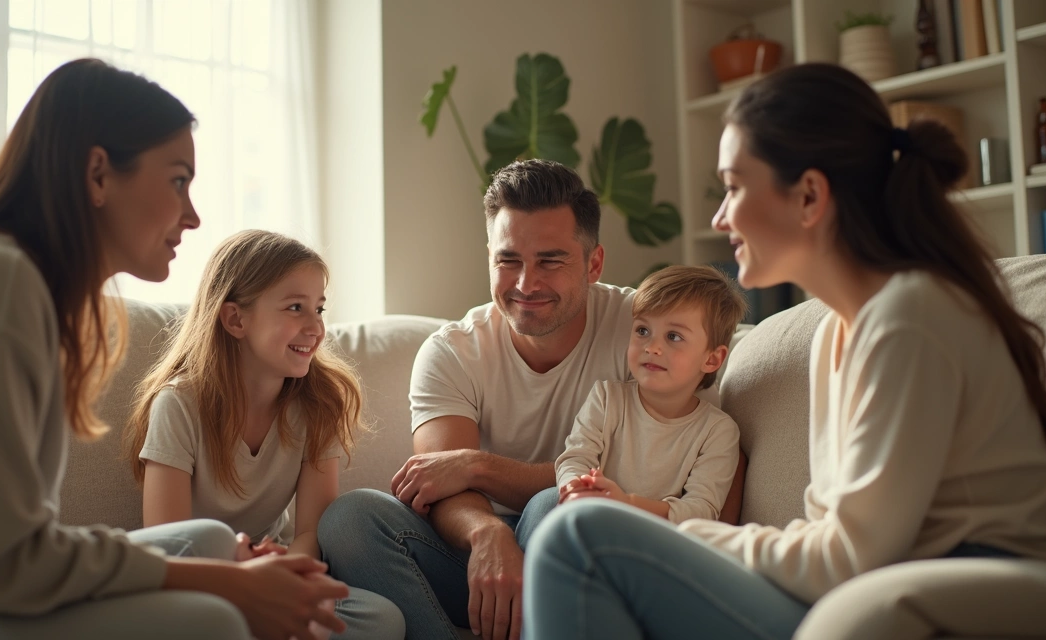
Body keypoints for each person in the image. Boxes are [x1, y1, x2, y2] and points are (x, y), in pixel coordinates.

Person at [522, 62, 1046, 640]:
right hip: (867, 589)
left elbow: (848, 557)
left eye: (733, 186)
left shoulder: (911, 318)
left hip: (966, 591)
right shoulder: (840, 329)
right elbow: (833, 538)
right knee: (572, 530)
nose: (719, 216)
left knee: (577, 536)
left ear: (808, 195)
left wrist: (677, 536)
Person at [0, 59, 348, 640]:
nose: (193, 216)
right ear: (97, 174)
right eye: (178, 181)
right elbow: (5, 567)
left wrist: (222, 569)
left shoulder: (21, 285)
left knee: (212, 541)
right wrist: (225, 586)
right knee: (212, 615)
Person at [318, 160, 747, 640]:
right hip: (472, 561)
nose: (525, 284)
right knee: (348, 519)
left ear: (594, 263)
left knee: (552, 506)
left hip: (581, 547)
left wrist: (478, 466)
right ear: (488, 256)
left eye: (550, 260)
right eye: (508, 260)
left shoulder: (645, 330)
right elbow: (443, 486)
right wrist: (488, 534)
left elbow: (697, 456)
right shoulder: (451, 352)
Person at [127, 229, 405, 639]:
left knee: (382, 619)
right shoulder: (179, 405)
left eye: (320, 309)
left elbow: (310, 531)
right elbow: (167, 541)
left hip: (277, 575)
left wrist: (288, 580)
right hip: (200, 582)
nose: (316, 328)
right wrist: (245, 577)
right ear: (236, 319)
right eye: (296, 307)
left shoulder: (318, 405)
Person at [555, 265, 744, 524]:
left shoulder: (717, 431)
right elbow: (575, 457)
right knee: (543, 502)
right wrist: (576, 488)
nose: (652, 347)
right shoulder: (606, 398)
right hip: (592, 518)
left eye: (673, 336)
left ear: (712, 359)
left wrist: (626, 504)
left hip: (656, 540)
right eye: (643, 331)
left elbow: (701, 510)